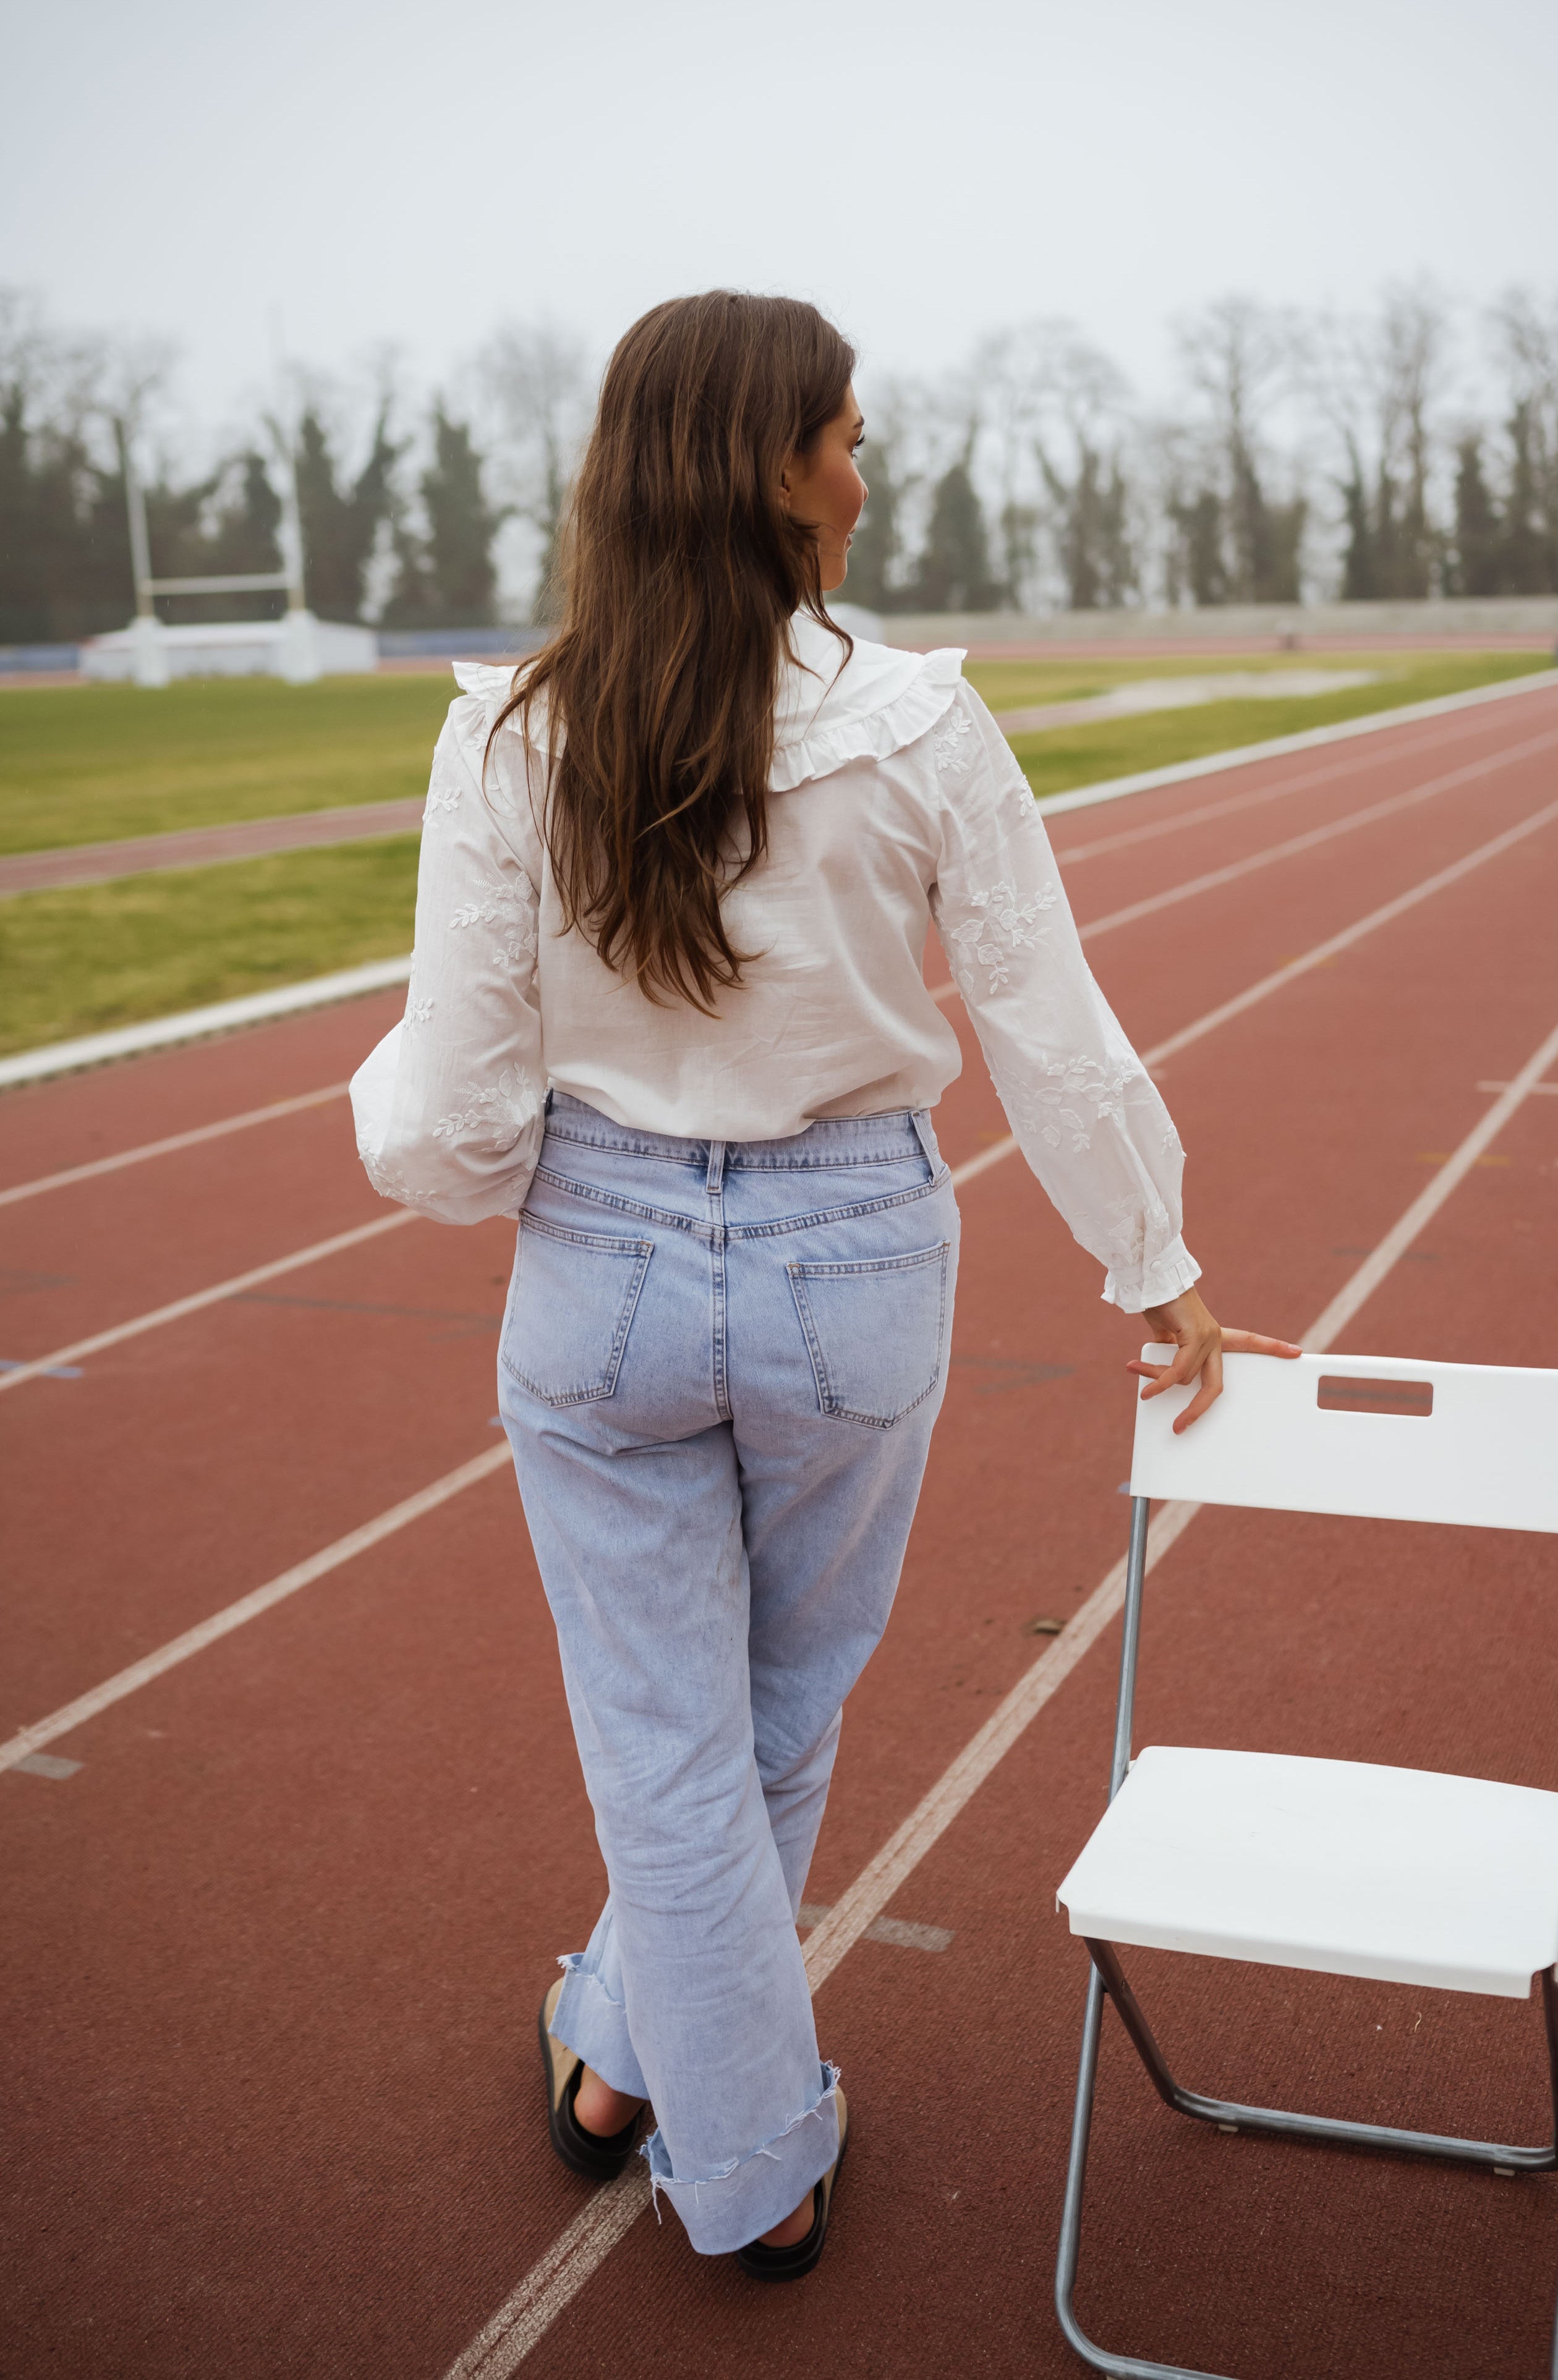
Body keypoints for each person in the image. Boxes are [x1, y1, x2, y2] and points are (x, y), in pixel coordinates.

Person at [351, 291, 1298, 2280]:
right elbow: (1050, 1023)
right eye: (846, 438)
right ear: (764, 466)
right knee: (768, 1711)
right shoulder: (916, 722)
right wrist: (1160, 1265)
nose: (869, 476)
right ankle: (754, 2165)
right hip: (853, 1258)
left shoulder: (512, 732)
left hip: (597, 1272)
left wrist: (445, 1135)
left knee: (673, 1735)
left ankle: (620, 2052)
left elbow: (446, 1123)